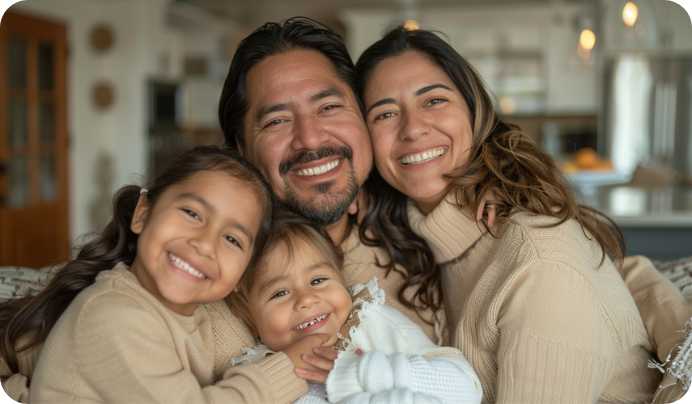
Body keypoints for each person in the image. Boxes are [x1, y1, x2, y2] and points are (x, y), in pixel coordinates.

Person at [355, 25, 692, 403]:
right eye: (384, 113)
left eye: (433, 100)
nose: (413, 129)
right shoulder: (415, 240)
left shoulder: (537, 257)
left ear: (474, 109)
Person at [0, 146, 310, 403]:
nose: (204, 245)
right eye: (192, 213)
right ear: (143, 213)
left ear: (244, 272)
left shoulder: (191, 318)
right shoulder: (115, 315)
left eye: (232, 239)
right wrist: (288, 368)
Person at [227, 215, 482, 404]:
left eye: (318, 280)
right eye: (280, 293)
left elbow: (466, 388)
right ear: (249, 318)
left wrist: (361, 371)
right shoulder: (256, 377)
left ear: (342, 280)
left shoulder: (371, 322)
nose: (306, 299)